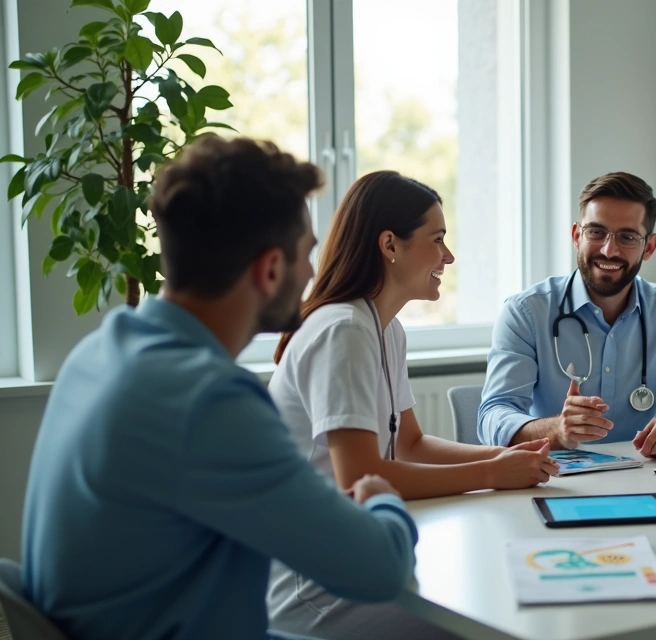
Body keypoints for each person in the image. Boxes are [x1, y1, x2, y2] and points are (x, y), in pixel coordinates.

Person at [20, 137, 418, 640]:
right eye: (306, 254)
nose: (313, 273)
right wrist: (382, 498)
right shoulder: (207, 400)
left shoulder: (100, 353)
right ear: (270, 269)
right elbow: (380, 570)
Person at [266, 171, 557, 639]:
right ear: (390, 245)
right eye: (437, 240)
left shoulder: (385, 329)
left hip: (353, 550)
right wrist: (490, 474)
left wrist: (503, 456)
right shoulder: (343, 329)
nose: (448, 256)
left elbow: (411, 443)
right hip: (314, 589)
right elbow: (360, 476)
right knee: (494, 619)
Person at [479, 172, 656, 459]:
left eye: (627, 237)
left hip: (641, 473)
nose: (609, 250)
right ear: (576, 236)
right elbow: (493, 415)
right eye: (596, 232)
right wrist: (558, 430)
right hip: (554, 474)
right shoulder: (526, 312)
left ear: (649, 247)